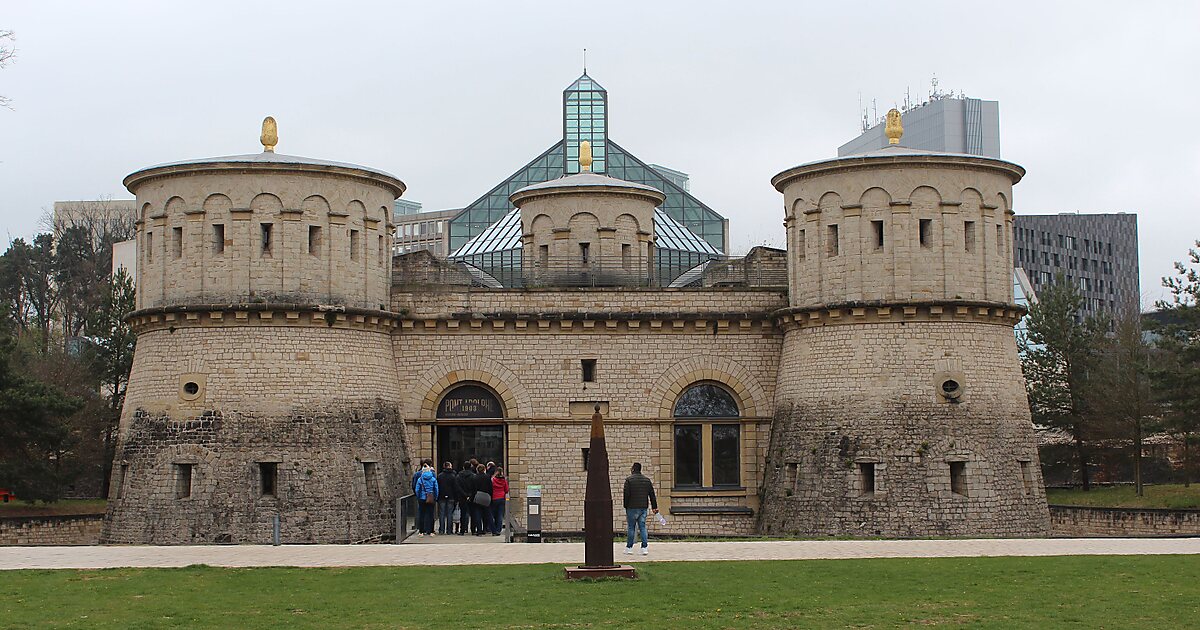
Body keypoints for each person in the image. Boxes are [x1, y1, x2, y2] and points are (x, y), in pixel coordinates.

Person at [622, 462, 658, 555]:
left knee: (631, 528)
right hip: (643, 507)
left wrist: (626, 505)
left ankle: (629, 548)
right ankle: (644, 548)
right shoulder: (647, 480)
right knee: (642, 527)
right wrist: (654, 507)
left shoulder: (629, 480)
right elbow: (652, 495)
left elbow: (626, 494)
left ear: (633, 469)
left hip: (631, 507)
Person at [414, 463, 439, 537]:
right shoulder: (433, 479)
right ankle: (431, 531)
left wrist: (418, 497)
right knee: (431, 515)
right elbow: (436, 489)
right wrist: (435, 497)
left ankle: (421, 531)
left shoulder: (420, 479)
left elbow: (417, 489)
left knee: (421, 514)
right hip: (431, 498)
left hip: (422, 498)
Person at [436, 461, 460, 535]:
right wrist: (456, 498)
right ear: (449, 466)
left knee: (442, 514)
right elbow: (455, 488)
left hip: (441, 497)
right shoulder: (453, 476)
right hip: (451, 497)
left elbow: (437, 487)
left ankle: (441, 530)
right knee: (450, 514)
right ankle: (449, 530)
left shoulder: (440, 476)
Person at [474, 463, 493, 536]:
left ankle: (479, 531)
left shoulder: (475, 477)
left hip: (478, 496)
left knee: (478, 514)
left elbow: (473, 488)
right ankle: (491, 530)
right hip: (486, 496)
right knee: (488, 514)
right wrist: (490, 496)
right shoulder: (487, 477)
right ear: (484, 469)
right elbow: (490, 488)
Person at [456, 461, 475, 535]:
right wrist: (470, 495)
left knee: (463, 514)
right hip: (471, 497)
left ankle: (462, 530)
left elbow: (458, 487)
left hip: (462, 497)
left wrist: (464, 495)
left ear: (463, 467)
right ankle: (473, 530)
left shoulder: (458, 476)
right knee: (473, 514)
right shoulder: (473, 476)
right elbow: (474, 488)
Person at [489, 467, 509, 535]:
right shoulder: (504, 480)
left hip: (494, 498)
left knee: (493, 515)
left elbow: (490, 488)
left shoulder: (492, 480)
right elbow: (506, 490)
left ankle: (493, 529)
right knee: (500, 515)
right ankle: (498, 530)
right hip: (502, 498)